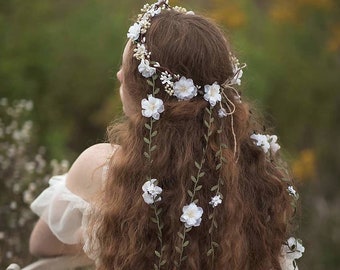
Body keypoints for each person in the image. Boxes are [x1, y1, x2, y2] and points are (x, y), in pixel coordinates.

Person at [29, 1, 305, 269]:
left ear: (146, 94)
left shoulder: (103, 167)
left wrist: (99, 235)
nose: (119, 75)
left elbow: (42, 245)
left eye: (126, 69)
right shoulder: (254, 175)